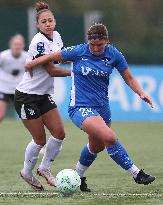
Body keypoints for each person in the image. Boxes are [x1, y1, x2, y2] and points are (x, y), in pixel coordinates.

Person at [25, 23, 156, 192]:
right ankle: (137, 173)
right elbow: (51, 56)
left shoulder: (114, 54)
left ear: (106, 41)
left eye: (99, 45)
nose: (95, 48)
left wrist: (141, 93)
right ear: (88, 42)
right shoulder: (79, 51)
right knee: (109, 137)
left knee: (97, 146)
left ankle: (77, 177)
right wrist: (31, 63)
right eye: (92, 44)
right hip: (80, 107)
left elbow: (129, 78)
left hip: (102, 107)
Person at [14, 1, 71, 191]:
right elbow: (52, 70)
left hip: (44, 95)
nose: (48, 24)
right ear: (38, 25)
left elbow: (62, 57)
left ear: (55, 22)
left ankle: (45, 168)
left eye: (50, 20)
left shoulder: (57, 36)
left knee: (60, 133)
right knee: (40, 140)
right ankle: (27, 172)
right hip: (26, 96)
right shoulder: (39, 41)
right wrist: (75, 72)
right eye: (44, 21)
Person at [0, 34, 27, 122]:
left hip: (19, 89)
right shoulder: (3, 56)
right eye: (15, 44)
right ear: (11, 45)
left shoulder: (27, 57)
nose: (17, 46)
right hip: (4, 88)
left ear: (23, 45)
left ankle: (35, 135)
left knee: (26, 116)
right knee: (0, 115)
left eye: (19, 44)